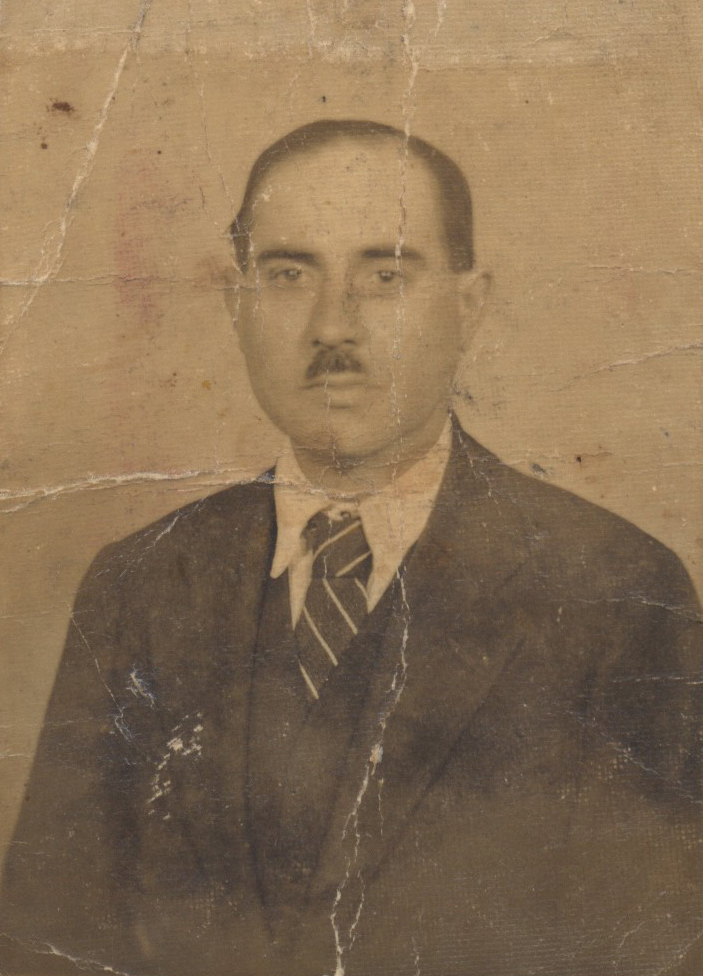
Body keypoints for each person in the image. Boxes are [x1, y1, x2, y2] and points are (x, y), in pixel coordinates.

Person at [1, 119, 701, 976]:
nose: (333, 327)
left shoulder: (614, 590)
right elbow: (48, 940)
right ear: (236, 305)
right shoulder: (138, 584)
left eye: (385, 274)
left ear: (468, 305)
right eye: (289, 275)